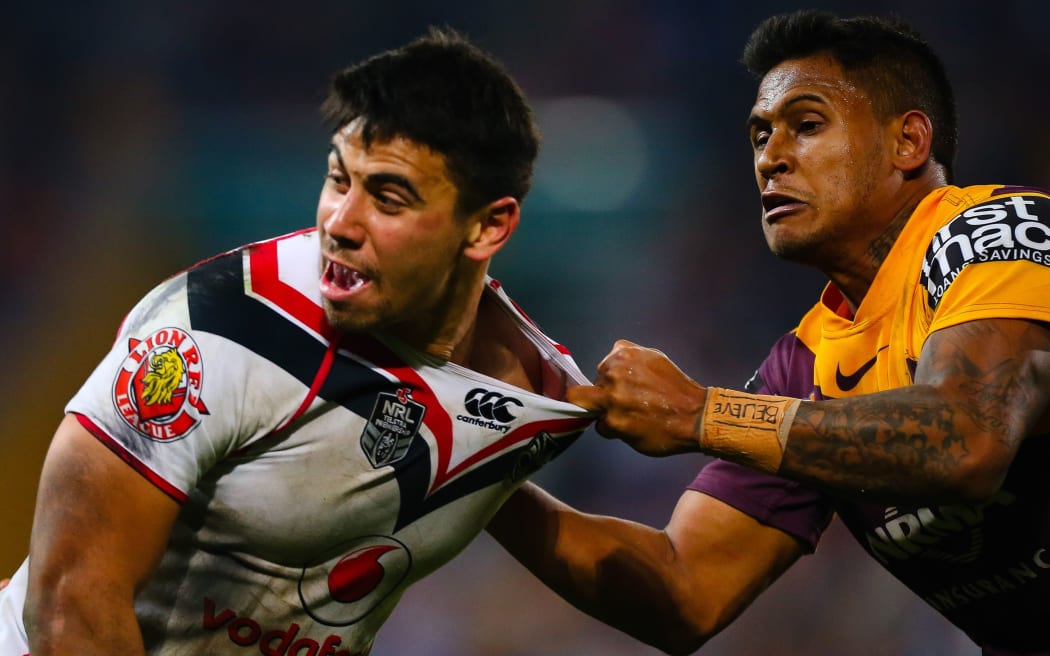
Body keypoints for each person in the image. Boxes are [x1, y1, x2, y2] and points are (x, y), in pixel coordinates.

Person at [0, 28, 593, 655]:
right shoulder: (215, 328)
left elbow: (681, 601)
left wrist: (708, 422)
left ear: (488, 226)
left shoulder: (528, 394)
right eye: (339, 180)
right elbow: (71, 608)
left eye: (388, 200)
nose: (339, 223)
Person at [487, 10, 1050, 656]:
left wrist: (702, 412)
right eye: (759, 137)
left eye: (807, 126)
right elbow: (685, 588)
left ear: (909, 142)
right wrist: (479, 476)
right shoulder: (807, 365)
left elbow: (965, 438)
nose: (770, 159)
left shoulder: (998, 233)